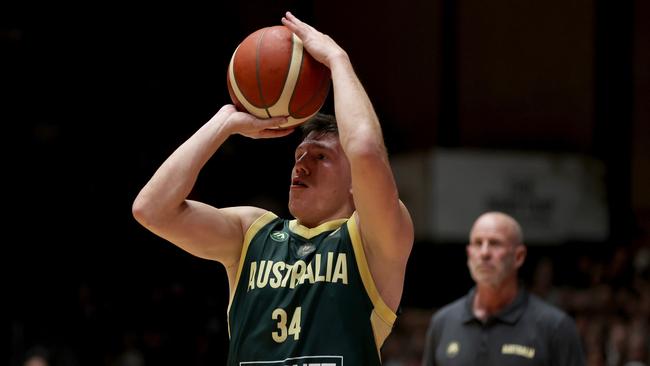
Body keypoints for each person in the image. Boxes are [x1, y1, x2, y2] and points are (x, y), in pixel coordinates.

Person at [132, 11, 414, 366]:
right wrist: (223, 123)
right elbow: (151, 209)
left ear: (356, 183)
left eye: (321, 157)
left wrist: (337, 59)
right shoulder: (252, 232)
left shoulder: (373, 241)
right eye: (299, 154)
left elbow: (366, 151)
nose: (302, 164)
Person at [421, 212, 586, 366]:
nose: (484, 253)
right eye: (478, 243)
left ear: (519, 256)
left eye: (495, 243)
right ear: (469, 254)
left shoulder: (555, 327)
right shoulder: (443, 323)